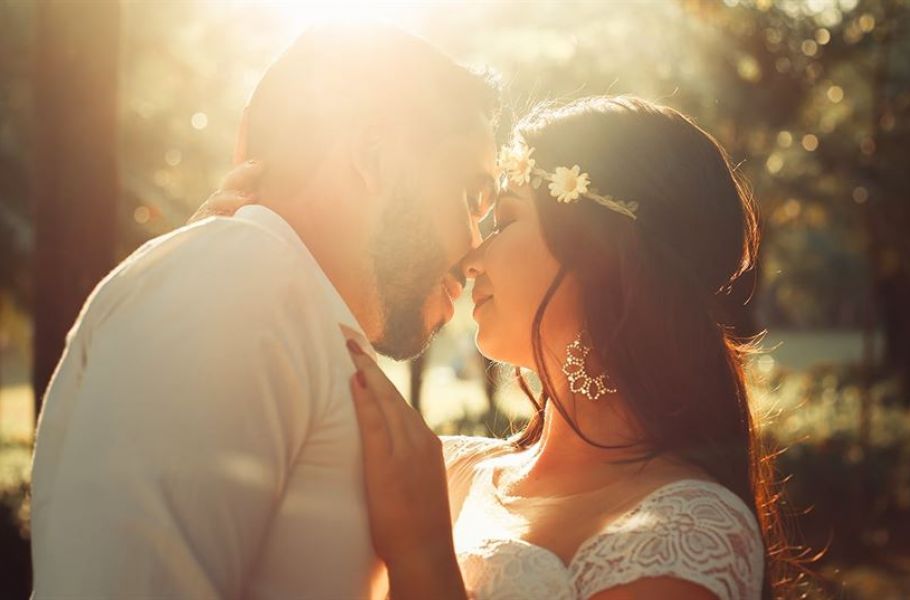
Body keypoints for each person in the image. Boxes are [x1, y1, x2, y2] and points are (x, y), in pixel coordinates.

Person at [206, 96, 791, 599]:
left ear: (599, 255)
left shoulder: (689, 531)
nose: (471, 256)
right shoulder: (444, 471)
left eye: (505, 219)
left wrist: (424, 557)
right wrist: (227, 258)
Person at [30, 23, 498, 599]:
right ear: (373, 155)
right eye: (475, 198)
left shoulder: (269, 297)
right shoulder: (234, 278)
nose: (480, 248)